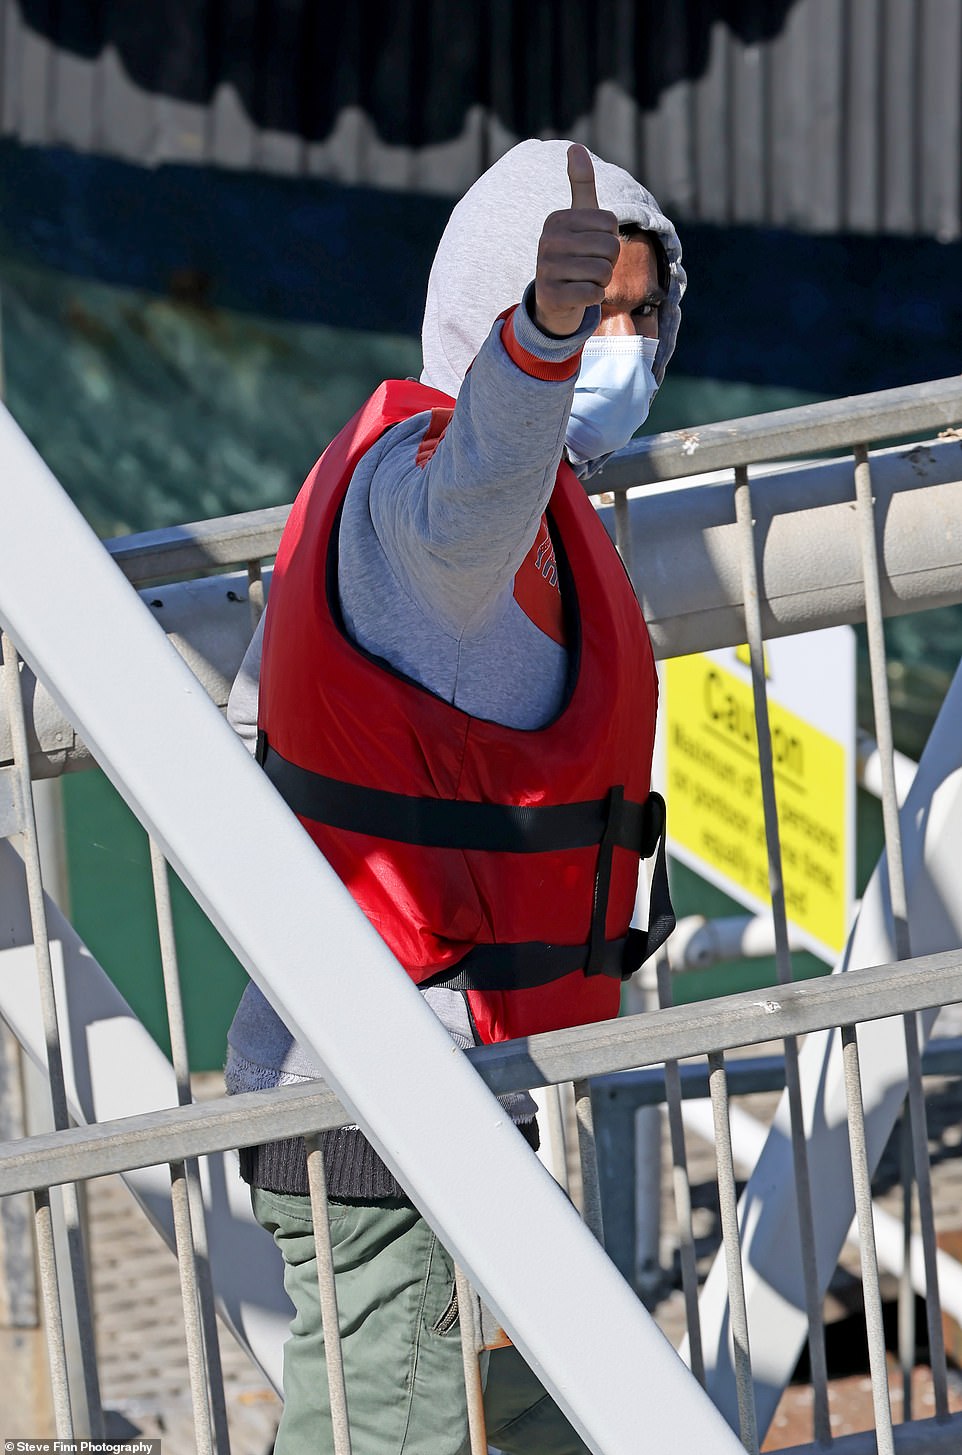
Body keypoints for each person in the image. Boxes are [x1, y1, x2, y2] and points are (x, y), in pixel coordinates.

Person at [225, 137, 685, 1455]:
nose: (620, 341)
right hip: (395, 1132)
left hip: (492, 1106)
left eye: (637, 312)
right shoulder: (428, 506)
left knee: (557, 1429)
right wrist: (537, 344)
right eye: (583, 303)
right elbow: (470, 496)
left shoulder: (529, 504)